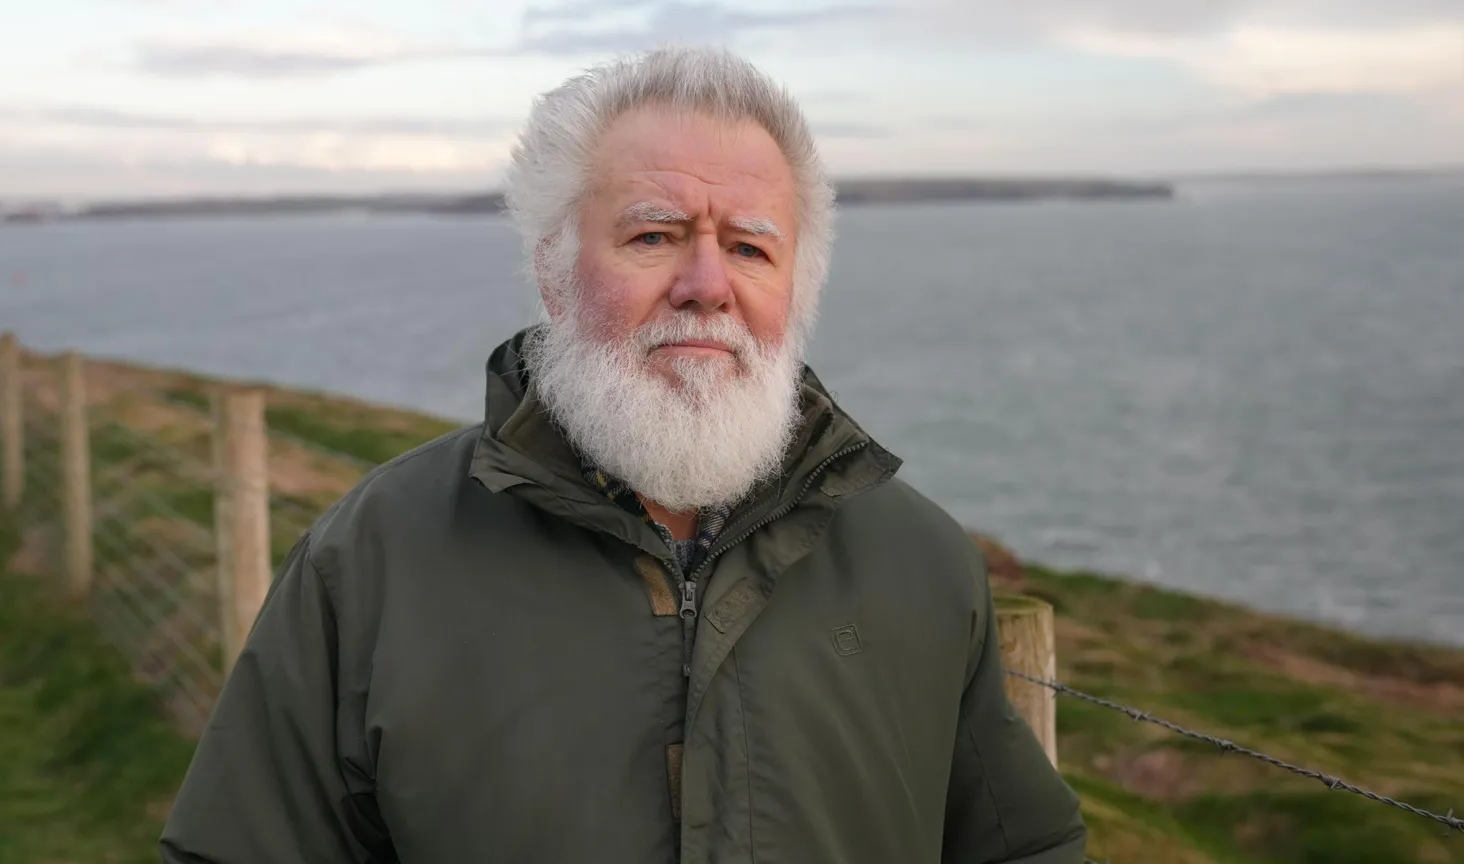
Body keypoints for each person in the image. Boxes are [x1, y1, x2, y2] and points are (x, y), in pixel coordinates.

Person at [159, 45, 1088, 864]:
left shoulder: (920, 562)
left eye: (751, 248)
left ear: (798, 288)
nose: (706, 287)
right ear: (553, 274)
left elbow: (1024, 848)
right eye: (654, 236)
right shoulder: (371, 560)